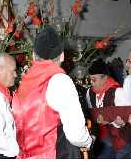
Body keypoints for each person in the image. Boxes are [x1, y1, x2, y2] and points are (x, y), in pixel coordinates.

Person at [12, 26, 93, 159]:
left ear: (33, 55)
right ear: (62, 56)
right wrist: (88, 141)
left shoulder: (23, 84)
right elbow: (76, 134)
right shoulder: (59, 80)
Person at [86, 58, 131, 159]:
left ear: (105, 78)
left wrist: (111, 121)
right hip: (103, 139)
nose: (91, 83)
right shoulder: (89, 93)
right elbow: (91, 113)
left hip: (122, 137)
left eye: (94, 80)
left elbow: (128, 117)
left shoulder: (118, 92)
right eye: (90, 79)